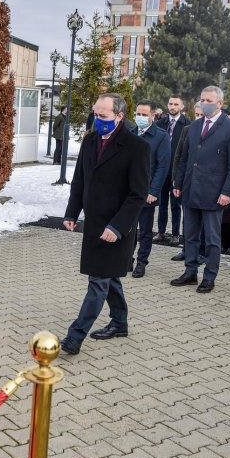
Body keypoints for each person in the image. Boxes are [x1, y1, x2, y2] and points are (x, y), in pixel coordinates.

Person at [59, 93, 150, 354]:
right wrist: (71, 213)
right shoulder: (90, 142)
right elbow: (80, 181)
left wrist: (117, 227)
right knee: (108, 277)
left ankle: (75, 337)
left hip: (116, 228)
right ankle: (120, 322)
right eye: (95, 114)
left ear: (119, 116)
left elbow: (137, 195)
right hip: (94, 224)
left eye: (103, 116)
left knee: (98, 282)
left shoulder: (136, 147)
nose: (97, 120)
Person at [171, 86, 230, 293]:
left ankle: (209, 276)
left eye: (209, 100)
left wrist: (227, 191)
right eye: (202, 99)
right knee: (190, 235)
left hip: (214, 193)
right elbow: (185, 158)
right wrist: (178, 183)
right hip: (191, 189)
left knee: (212, 239)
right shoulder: (194, 127)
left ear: (219, 103)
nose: (204, 103)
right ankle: (190, 271)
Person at [132, 100, 170, 278]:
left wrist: (153, 191)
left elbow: (162, 166)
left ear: (153, 116)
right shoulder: (131, 133)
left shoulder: (161, 136)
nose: (140, 117)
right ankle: (127, 259)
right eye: (138, 114)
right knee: (128, 228)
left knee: (145, 231)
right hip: (128, 192)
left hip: (146, 192)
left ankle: (141, 262)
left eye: (144, 114)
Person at [154, 95, 190, 247]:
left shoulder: (187, 125)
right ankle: (161, 232)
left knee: (175, 204)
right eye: (170, 104)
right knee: (162, 203)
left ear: (182, 106)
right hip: (162, 169)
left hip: (176, 171)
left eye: (176, 104)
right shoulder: (161, 123)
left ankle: (176, 234)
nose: (172, 106)